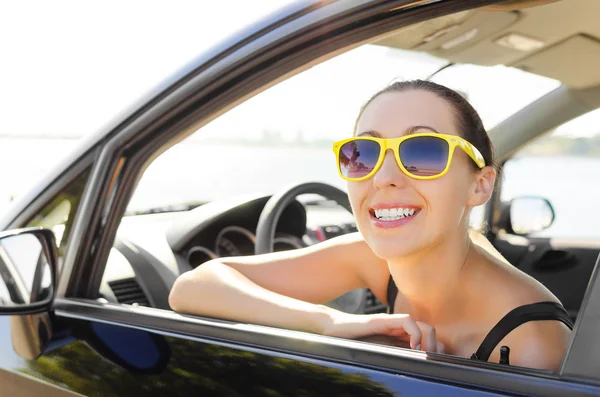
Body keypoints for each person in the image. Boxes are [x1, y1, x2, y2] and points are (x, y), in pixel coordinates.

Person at [169, 80, 572, 371]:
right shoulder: (378, 259)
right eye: (364, 153)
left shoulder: (531, 343)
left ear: (480, 185)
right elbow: (193, 286)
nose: (383, 178)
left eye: (424, 151)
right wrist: (330, 322)